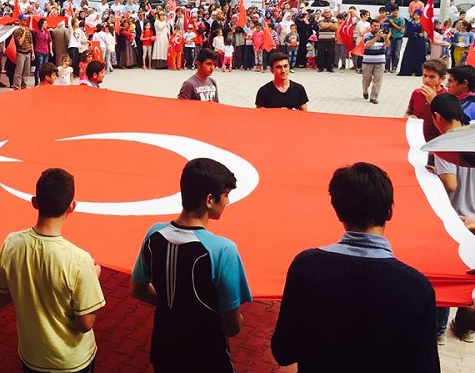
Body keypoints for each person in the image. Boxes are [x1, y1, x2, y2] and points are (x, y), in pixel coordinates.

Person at [271, 162, 440, 372]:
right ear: (389, 212)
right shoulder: (416, 287)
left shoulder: (306, 266)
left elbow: (283, 351)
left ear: (339, 213)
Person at [131, 158, 251, 373]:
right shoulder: (223, 250)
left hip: (164, 349)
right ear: (209, 200)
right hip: (207, 357)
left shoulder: (154, 234)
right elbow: (231, 326)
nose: (228, 201)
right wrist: (239, 320)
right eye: (225, 195)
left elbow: (137, 289)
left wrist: (174, 306)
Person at [0, 168, 105, 373]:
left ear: (35, 202)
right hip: (71, 362)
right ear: (72, 206)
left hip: (32, 356)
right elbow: (86, 323)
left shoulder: (12, 244)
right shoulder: (80, 260)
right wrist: (93, 277)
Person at [429, 94, 475, 343]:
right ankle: (465, 327)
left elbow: (451, 184)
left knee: (450, 274)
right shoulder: (471, 135)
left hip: (458, 219)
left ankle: (439, 330)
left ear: (436, 117)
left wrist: (433, 177)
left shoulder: (445, 145)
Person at [405, 59, 447, 143]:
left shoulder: (448, 97)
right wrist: (408, 118)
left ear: (442, 78)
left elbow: (450, 123)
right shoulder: (416, 93)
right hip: (416, 140)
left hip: (438, 142)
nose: (426, 80)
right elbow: (408, 112)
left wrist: (434, 101)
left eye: (432, 77)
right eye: (424, 76)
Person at [361, 21, 390, 105]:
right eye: (374, 26)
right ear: (371, 26)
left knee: (378, 79)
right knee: (366, 78)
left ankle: (373, 97)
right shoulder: (367, 35)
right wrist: (377, 37)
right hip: (368, 60)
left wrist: (386, 38)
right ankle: (365, 90)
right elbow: (368, 44)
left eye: (378, 26)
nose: (376, 27)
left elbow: (387, 45)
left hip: (380, 60)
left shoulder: (382, 35)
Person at [397, 10, 428, 77]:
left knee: (419, 55)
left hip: (420, 42)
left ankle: (418, 71)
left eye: (418, 15)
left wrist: (423, 34)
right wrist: (417, 34)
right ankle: (407, 70)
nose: (416, 16)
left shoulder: (423, 23)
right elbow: (408, 31)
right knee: (409, 55)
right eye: (415, 15)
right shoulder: (410, 23)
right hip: (411, 41)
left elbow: (426, 32)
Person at [12, 21, 34, 90]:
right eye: (24, 20)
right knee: (19, 71)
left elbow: (31, 42)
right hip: (20, 53)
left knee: (26, 71)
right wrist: (24, 33)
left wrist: (33, 53)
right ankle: (17, 87)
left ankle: (24, 86)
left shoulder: (28, 30)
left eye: (26, 20)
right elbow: (20, 42)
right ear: (20, 21)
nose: (25, 21)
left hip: (28, 52)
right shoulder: (16, 31)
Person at [385, 6, 405, 73]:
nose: (395, 12)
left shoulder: (401, 19)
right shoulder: (389, 17)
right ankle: (387, 67)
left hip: (398, 38)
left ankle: (394, 67)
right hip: (390, 37)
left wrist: (392, 23)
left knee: (396, 53)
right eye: (393, 11)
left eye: (396, 11)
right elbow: (381, 19)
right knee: (388, 53)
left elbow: (400, 29)